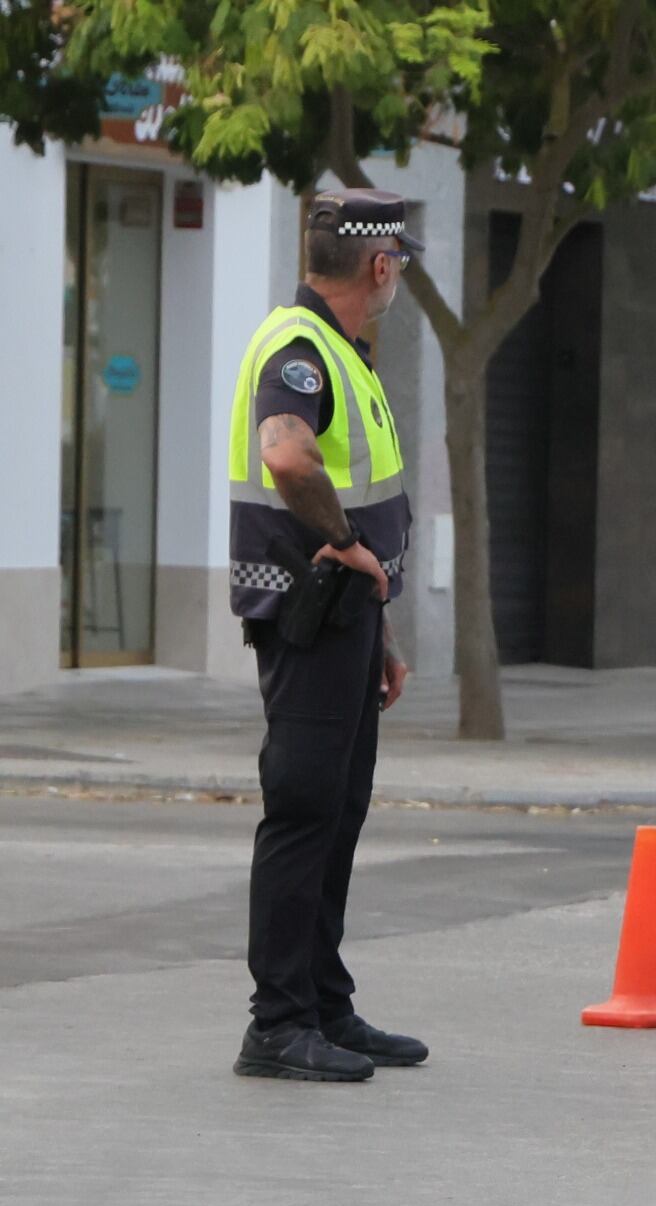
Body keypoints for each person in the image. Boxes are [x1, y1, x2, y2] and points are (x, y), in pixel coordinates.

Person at [227, 189, 427, 1083]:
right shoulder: (301, 350)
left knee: (337, 811)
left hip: (347, 620)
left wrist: (380, 630)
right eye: (400, 261)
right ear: (380, 265)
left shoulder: (339, 350)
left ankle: (323, 1004)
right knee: (304, 809)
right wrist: (344, 543)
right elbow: (286, 452)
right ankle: (277, 1025)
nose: (399, 274)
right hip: (309, 616)